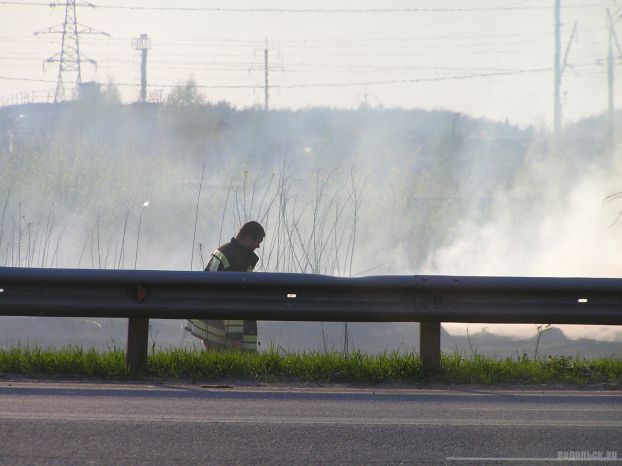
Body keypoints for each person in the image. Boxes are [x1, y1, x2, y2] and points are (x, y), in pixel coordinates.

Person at [186, 221, 265, 352]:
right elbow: (234, 299)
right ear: (248, 239)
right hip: (220, 328)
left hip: (210, 321)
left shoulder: (224, 250)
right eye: (258, 242)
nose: (258, 246)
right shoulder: (237, 260)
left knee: (217, 365)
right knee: (234, 367)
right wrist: (235, 337)